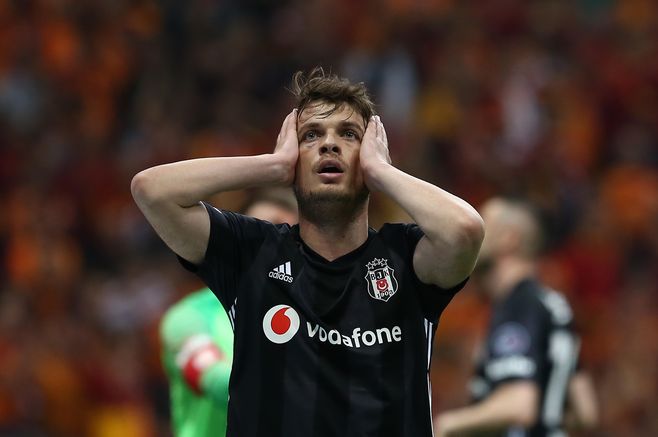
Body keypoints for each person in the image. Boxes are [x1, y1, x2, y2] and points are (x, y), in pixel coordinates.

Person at [132, 67, 484, 437]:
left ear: (368, 154)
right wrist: (272, 165)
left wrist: (381, 171)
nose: (329, 144)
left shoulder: (405, 257)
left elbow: (465, 230)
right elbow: (151, 190)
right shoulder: (252, 252)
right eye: (311, 135)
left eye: (349, 134)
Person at [434, 197, 599, 437]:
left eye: (483, 223)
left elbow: (519, 404)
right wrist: (547, 422)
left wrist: (447, 425)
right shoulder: (551, 307)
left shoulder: (518, 306)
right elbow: (585, 412)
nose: (472, 232)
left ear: (509, 239)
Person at [159, 190, 298, 437]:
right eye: (262, 231)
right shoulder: (190, 315)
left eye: (287, 233)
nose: (273, 243)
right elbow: (212, 379)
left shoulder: (321, 314)